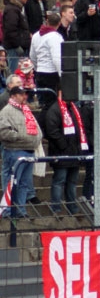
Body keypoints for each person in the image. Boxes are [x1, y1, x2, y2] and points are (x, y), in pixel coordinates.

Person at [0, 87, 43, 218]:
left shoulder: (26, 110)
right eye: (21, 94)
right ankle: (8, 211)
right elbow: (4, 132)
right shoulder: (6, 111)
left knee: (24, 184)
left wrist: (36, 137)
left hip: (29, 151)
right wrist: (23, 137)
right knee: (12, 183)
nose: (25, 97)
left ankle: (20, 210)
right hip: (15, 151)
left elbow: (37, 129)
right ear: (13, 96)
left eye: (25, 94)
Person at [45, 90, 90, 216]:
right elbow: (52, 130)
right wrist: (63, 146)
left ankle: (72, 208)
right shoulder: (54, 110)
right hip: (61, 153)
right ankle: (56, 208)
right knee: (60, 180)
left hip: (74, 153)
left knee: (72, 181)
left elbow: (80, 129)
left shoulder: (74, 109)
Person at [29, 12, 63, 95]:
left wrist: (37, 69)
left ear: (47, 21)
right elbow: (57, 58)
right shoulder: (56, 37)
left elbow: (32, 56)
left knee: (42, 102)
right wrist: (62, 74)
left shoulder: (36, 35)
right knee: (52, 102)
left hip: (40, 72)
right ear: (59, 23)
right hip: (52, 73)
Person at [3, 0, 32, 72]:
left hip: (19, 47)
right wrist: (17, 46)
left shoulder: (17, 8)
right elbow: (10, 30)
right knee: (13, 73)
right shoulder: (12, 10)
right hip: (13, 49)